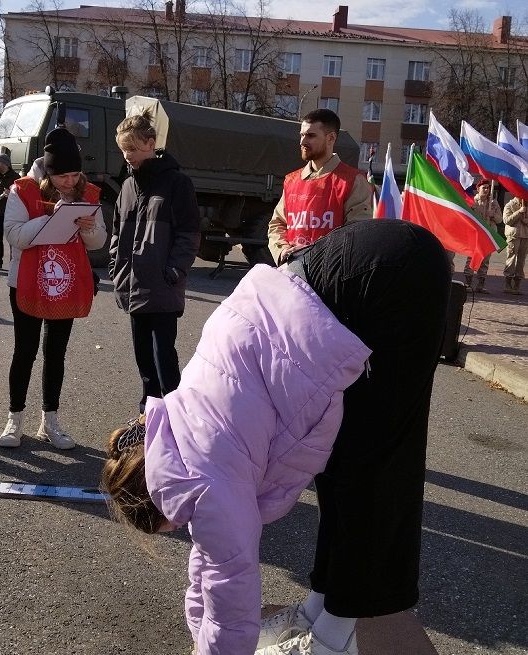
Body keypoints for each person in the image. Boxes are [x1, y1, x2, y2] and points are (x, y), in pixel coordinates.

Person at [102, 219, 451, 655]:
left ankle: (332, 641)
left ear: (160, 505)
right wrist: (198, 633)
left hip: (391, 281)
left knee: (372, 474)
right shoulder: (174, 434)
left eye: (170, 526)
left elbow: (230, 583)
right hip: (344, 267)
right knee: (341, 469)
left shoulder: (201, 484)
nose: (183, 529)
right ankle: (317, 612)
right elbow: (207, 565)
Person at [0, 128, 107, 448]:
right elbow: (14, 235)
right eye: (62, 176)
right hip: (27, 281)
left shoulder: (86, 193)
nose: (69, 182)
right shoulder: (23, 190)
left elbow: (98, 242)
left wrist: (90, 229)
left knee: (55, 353)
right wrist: (50, 217)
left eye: (75, 175)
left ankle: (50, 421)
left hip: (65, 282)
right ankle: (14, 420)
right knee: (25, 351)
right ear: (48, 169)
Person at [109, 110, 200, 415]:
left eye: (132, 149)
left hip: (162, 288)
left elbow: (189, 233)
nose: (128, 156)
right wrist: (116, 270)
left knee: (164, 358)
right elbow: (116, 234)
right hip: (132, 287)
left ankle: (174, 413)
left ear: (151, 143)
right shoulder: (127, 188)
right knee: (143, 359)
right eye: (124, 150)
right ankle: (148, 413)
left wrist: (174, 270)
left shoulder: (177, 183)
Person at [267, 109, 371, 266]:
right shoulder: (292, 180)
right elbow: (277, 224)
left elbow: (356, 234)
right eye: (302, 135)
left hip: (330, 275)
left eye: (310, 135)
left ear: (331, 138)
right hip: (293, 273)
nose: (302, 142)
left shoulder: (353, 180)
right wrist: (282, 250)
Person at [463, 179, 502, 293]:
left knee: (485, 260)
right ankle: (468, 283)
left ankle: (480, 284)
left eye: (488, 188)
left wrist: (493, 215)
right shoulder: (472, 202)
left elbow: (499, 220)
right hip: (475, 234)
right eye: (484, 187)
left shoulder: (493, 203)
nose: (486, 190)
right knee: (472, 257)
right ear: (478, 189)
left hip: (488, 235)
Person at [502, 196, 528, 295]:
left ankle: (517, 283)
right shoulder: (510, 205)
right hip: (513, 236)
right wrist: (519, 212)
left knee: (521, 261)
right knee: (511, 259)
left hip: (525, 236)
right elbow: (507, 220)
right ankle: (508, 283)